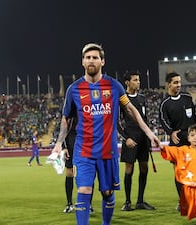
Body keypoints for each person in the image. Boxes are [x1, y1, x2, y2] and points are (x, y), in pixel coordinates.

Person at [51, 43, 160, 225]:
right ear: (82, 62)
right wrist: (59, 142)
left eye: (95, 57)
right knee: (84, 189)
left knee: (107, 193)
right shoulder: (74, 89)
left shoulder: (114, 86)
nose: (91, 60)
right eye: (87, 57)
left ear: (102, 61)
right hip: (83, 150)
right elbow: (66, 119)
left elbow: (130, 108)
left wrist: (148, 132)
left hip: (107, 152)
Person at [159, 72, 196, 210]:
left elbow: (195, 115)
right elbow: (163, 120)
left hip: (191, 140)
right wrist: (170, 132)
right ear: (168, 84)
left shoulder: (187, 97)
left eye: (179, 82)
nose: (179, 85)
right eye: (175, 82)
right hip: (177, 142)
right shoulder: (165, 104)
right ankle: (182, 200)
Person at [118, 71, 155, 211]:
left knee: (144, 167)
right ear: (127, 82)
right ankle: (127, 202)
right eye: (135, 80)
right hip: (130, 137)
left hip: (143, 138)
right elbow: (116, 122)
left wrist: (149, 138)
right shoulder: (122, 99)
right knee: (129, 168)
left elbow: (144, 120)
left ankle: (140, 200)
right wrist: (126, 138)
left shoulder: (142, 98)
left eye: (139, 80)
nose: (138, 82)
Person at [62, 116, 95, 214]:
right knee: (69, 172)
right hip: (72, 143)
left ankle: (88, 204)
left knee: (88, 173)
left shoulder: (89, 107)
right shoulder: (70, 109)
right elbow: (63, 129)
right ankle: (69, 204)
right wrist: (64, 147)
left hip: (86, 143)